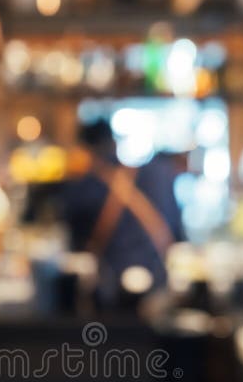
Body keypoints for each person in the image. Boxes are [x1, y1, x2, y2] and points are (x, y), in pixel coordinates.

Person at [62, 119, 185, 302]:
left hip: (110, 288)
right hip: (158, 286)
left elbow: (74, 242)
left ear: (84, 150)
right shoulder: (160, 173)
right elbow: (178, 231)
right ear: (112, 142)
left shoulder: (85, 185)